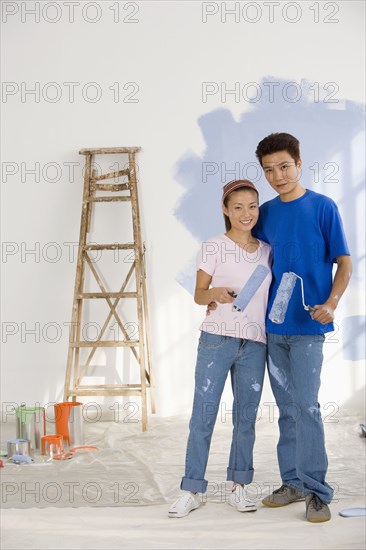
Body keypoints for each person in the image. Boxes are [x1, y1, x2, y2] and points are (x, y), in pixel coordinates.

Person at [252, 132, 352, 523]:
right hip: (274, 328)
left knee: (307, 406)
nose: (277, 176)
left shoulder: (323, 207)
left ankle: (317, 491)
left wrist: (332, 303)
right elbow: (254, 263)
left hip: (309, 327)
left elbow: (343, 262)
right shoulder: (267, 214)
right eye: (269, 170)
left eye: (284, 166)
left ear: (299, 162)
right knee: (286, 409)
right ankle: (291, 482)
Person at [168, 179, 272, 518]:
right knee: (203, 416)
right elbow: (199, 294)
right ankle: (192, 489)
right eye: (238, 207)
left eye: (252, 206)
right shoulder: (213, 246)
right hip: (216, 340)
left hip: (255, 343)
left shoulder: (268, 250)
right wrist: (216, 293)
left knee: (245, 418)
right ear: (226, 210)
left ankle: (239, 488)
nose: (246, 213)